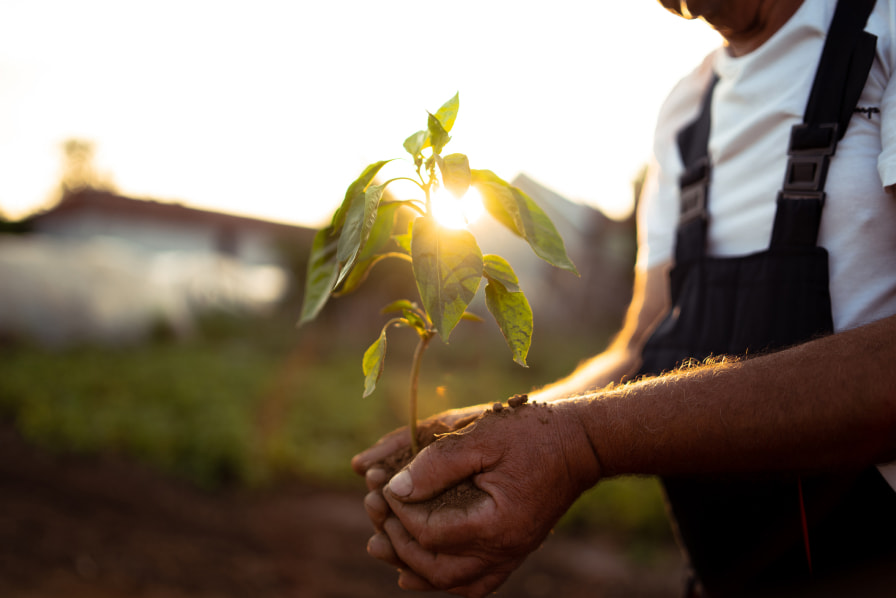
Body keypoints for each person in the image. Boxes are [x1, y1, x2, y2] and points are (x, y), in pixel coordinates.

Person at [352, 1, 896, 596]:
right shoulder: (690, 109)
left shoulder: (883, 31)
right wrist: (499, 425)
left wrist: (579, 441)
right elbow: (640, 343)